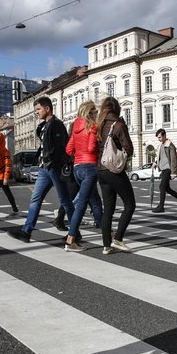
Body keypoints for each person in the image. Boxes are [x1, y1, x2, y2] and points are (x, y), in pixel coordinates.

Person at [7, 96, 75, 243]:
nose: (36, 112)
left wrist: (53, 163)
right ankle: (26, 231)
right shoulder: (43, 126)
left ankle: (75, 233)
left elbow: (60, 148)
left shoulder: (56, 125)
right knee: (36, 199)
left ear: (47, 108)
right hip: (44, 168)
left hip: (54, 168)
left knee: (65, 200)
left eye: (38, 109)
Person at [96, 97, 135, 254]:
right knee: (130, 204)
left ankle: (106, 245)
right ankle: (118, 239)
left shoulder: (99, 125)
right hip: (113, 170)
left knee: (108, 209)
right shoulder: (118, 125)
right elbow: (129, 149)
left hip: (100, 170)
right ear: (117, 109)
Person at [63, 101, 100, 252]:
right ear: (90, 113)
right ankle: (70, 239)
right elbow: (91, 147)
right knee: (82, 204)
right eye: (95, 113)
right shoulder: (92, 126)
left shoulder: (75, 127)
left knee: (96, 202)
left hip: (77, 168)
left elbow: (68, 149)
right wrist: (97, 144)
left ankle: (108, 233)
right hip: (89, 167)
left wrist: (78, 154)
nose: (96, 115)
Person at [152, 128, 177, 213]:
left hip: (168, 169)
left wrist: (173, 172)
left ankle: (161, 207)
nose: (158, 139)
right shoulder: (161, 145)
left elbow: (173, 159)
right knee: (167, 188)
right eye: (158, 137)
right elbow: (160, 157)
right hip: (163, 169)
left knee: (162, 187)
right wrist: (155, 163)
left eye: (159, 137)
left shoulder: (170, 145)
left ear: (164, 136)